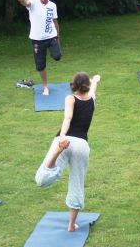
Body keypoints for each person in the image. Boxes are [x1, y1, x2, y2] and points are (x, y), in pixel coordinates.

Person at [35, 72, 100, 232]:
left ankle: (57, 154)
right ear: (87, 85)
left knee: (42, 179)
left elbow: (68, 117)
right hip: (82, 145)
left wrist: (62, 137)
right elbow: (93, 90)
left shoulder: (70, 98)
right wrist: (96, 80)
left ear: (73, 85)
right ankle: (71, 224)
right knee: (77, 183)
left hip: (66, 140)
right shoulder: (92, 99)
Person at [16, 0, 61, 96]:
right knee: (40, 66)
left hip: (51, 37)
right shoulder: (33, 2)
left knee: (57, 56)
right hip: (37, 40)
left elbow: (55, 22)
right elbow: (26, 3)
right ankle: (45, 87)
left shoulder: (52, 5)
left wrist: (58, 36)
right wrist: (22, 0)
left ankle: (53, 49)